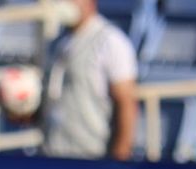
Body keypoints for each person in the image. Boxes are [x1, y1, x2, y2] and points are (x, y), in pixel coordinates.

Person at [41, 0, 138, 160]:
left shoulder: (110, 41)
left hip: (91, 156)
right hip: (53, 154)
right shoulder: (57, 42)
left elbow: (126, 103)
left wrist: (119, 158)